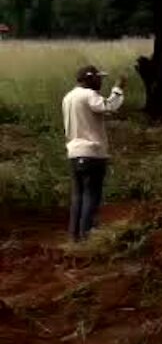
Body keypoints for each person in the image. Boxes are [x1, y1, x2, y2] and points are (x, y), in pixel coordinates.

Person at [62, 65, 126, 241]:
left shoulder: (68, 97)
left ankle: (74, 236)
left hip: (74, 152)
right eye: (98, 78)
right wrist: (118, 88)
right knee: (92, 195)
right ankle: (86, 235)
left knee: (78, 196)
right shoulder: (89, 95)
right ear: (89, 79)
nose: (100, 82)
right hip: (92, 152)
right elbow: (109, 106)